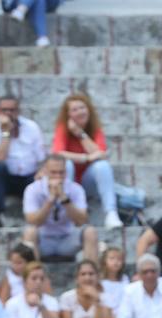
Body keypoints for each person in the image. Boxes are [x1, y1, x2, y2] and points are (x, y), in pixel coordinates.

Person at [51, 92, 121, 230]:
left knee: (102, 166)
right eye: (74, 110)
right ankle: (67, 212)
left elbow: (101, 155)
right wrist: (86, 158)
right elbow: (58, 155)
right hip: (69, 181)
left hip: (88, 182)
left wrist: (80, 133)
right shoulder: (62, 129)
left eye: (82, 108)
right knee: (67, 164)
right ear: (68, 115)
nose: (80, 112)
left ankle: (111, 213)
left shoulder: (95, 130)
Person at [21, 154, 98, 261]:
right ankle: (34, 274)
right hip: (43, 240)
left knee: (90, 232)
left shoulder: (76, 189)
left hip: (67, 239)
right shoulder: (32, 189)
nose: (58, 176)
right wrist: (50, 200)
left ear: (66, 172)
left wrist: (65, 199)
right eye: (53, 172)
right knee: (29, 232)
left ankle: (90, 274)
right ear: (45, 171)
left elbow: (82, 220)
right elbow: (32, 221)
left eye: (61, 172)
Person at [0, 94, 45, 228]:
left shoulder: (32, 127)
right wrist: (6, 133)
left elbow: (42, 158)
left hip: (28, 177)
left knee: (43, 178)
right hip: (4, 179)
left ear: (18, 111)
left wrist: (41, 172)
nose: (8, 113)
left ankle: (38, 217)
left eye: (12, 110)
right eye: (4, 110)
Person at [100, 245, 128, 310]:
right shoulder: (99, 281)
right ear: (104, 261)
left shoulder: (124, 279)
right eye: (112, 258)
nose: (116, 262)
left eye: (119, 259)